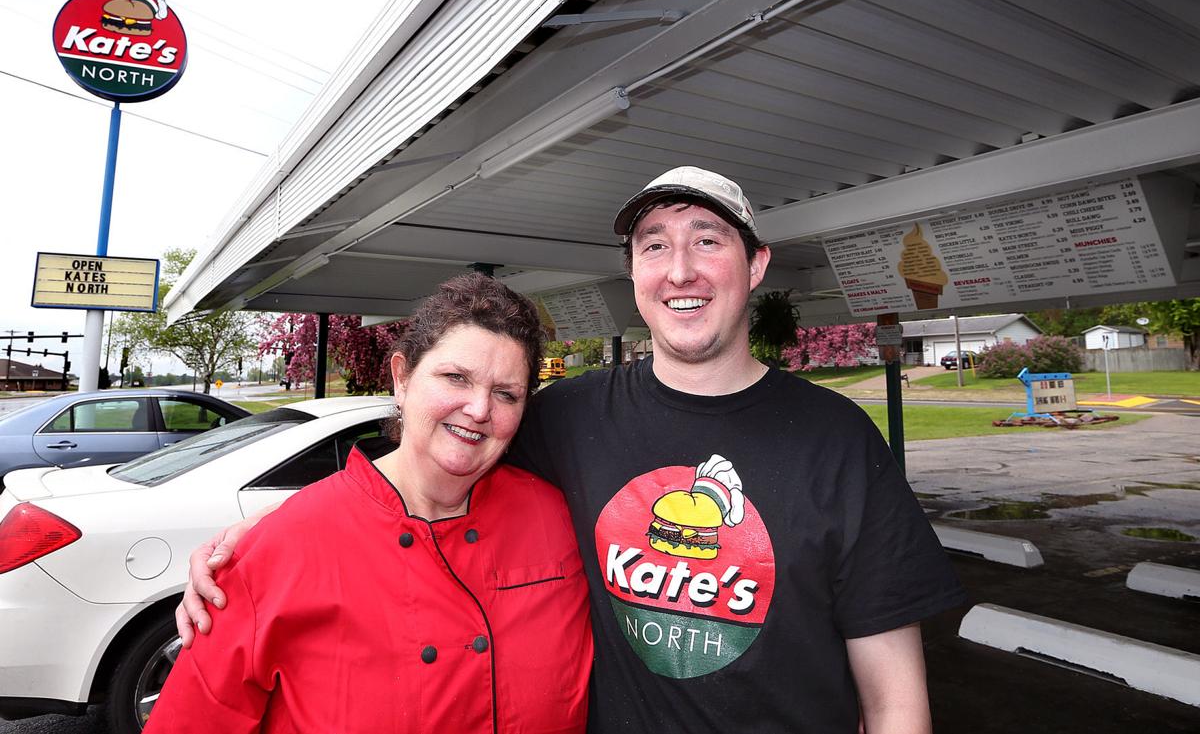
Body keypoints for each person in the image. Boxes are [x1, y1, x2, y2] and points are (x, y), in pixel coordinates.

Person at [181, 166, 966, 733]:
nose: (680, 268)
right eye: (654, 245)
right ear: (633, 274)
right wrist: (263, 552)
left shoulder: (839, 441)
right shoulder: (566, 418)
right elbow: (430, 478)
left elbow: (895, 698)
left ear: (756, 264)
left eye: (708, 240)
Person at [149, 274, 592, 733]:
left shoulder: (559, 517)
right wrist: (256, 544)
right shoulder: (276, 548)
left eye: (506, 394)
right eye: (455, 377)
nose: (480, 409)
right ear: (401, 378)